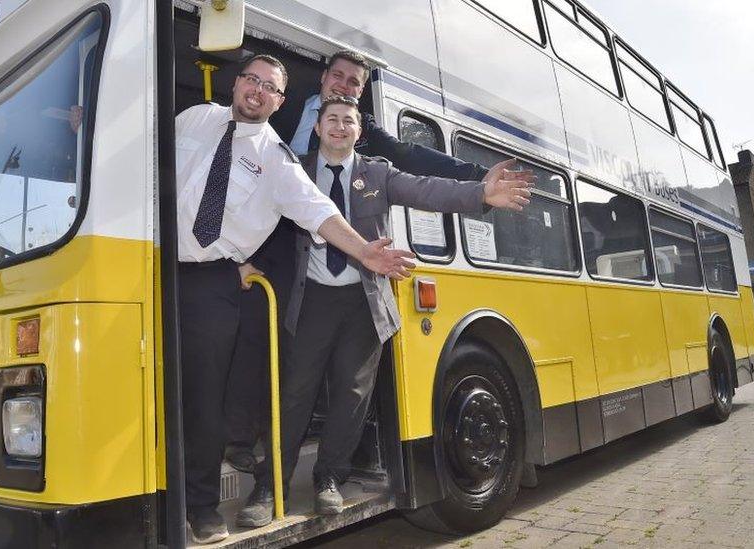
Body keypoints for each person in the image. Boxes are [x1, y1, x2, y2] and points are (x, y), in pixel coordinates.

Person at [236, 96, 534, 527]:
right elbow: (251, 210)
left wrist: (481, 194)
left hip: (364, 300)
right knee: (294, 393)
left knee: (352, 396)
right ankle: (269, 485)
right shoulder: (293, 168)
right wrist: (238, 256)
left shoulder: (377, 172)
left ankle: (329, 479)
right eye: (332, 120)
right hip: (310, 298)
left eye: (349, 122)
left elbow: (427, 189)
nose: (340, 127)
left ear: (359, 131)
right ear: (317, 129)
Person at [175, 55, 416, 544]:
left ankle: (200, 504)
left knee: (204, 396)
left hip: (213, 282)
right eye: (252, 80)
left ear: (280, 102)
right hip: (152, 266)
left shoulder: (278, 160)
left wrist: (365, 251)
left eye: (270, 88)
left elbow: (318, 212)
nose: (257, 91)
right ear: (237, 83)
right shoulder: (195, 118)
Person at [223, 48, 491, 472]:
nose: (343, 93)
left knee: (352, 390)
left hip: (355, 287)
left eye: (354, 88)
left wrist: (478, 181)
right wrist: (236, 255)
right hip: (284, 260)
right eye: (339, 79)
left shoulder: (373, 159)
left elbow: (421, 175)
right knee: (277, 367)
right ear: (323, 83)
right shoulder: (284, 125)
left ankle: (336, 473)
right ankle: (258, 465)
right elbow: (242, 189)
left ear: (359, 118)